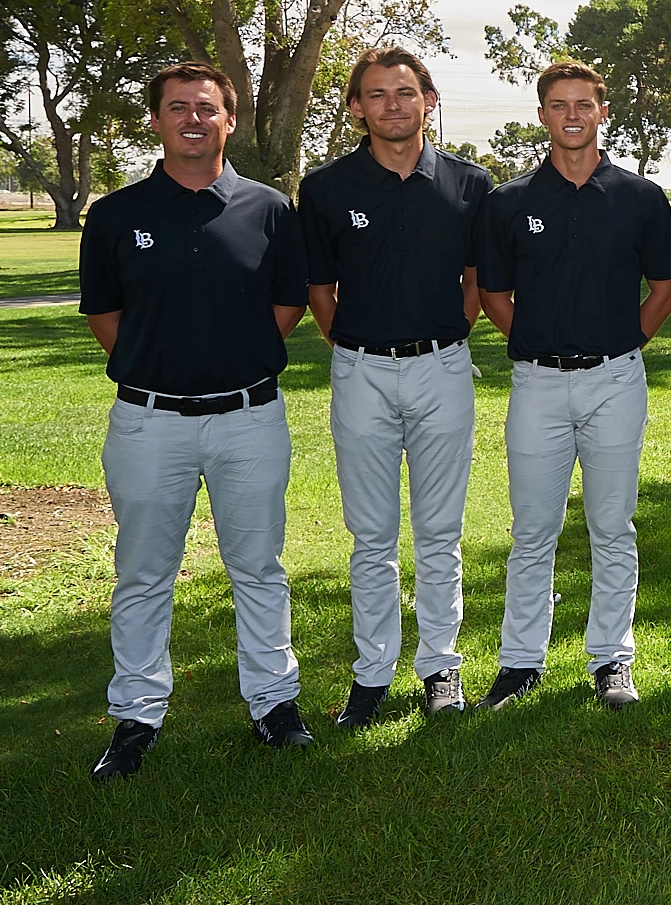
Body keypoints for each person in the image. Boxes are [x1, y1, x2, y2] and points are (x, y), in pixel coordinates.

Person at [83, 62, 314, 780]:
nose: (192, 119)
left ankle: (274, 704)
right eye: (177, 108)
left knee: (259, 567)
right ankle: (137, 716)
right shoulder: (116, 214)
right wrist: (166, 371)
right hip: (149, 422)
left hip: (250, 416)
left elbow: (286, 305)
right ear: (154, 121)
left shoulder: (270, 207)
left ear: (230, 120)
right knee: (143, 572)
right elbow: (105, 314)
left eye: (206, 109)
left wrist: (228, 363)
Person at [472, 61, 671, 712]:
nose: (572, 115)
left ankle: (612, 659)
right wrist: (532, 339)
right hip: (537, 382)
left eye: (584, 104)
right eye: (559, 105)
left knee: (611, 525)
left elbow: (665, 287)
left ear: (602, 112)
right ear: (542, 116)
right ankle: (520, 662)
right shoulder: (509, 202)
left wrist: (625, 342)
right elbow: (493, 293)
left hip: (616, 380)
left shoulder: (640, 197)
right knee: (533, 529)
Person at [298, 47, 492, 727]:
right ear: (356, 107)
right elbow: (319, 288)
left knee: (440, 532)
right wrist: (354, 345)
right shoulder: (325, 188)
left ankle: (441, 666)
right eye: (376, 95)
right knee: (372, 535)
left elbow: (477, 278)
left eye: (405, 93)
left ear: (428, 101)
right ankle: (372, 674)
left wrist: (443, 336)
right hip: (361, 372)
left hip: (443, 367)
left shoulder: (470, 183)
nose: (392, 105)